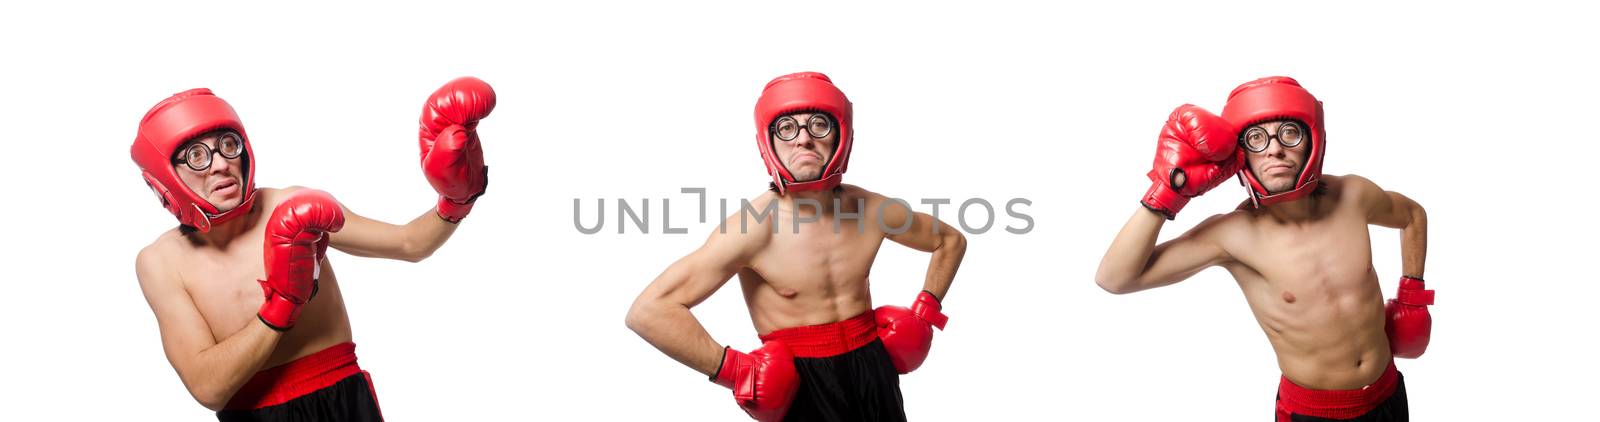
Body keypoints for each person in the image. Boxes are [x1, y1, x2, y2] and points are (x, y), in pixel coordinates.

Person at [130, 77, 494, 421]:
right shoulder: (162, 263)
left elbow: (410, 243)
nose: (222, 164)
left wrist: (455, 201)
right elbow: (209, 388)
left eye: (228, 144)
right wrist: (283, 303)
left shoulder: (294, 206)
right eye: (196, 155)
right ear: (165, 177)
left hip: (344, 403)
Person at [626, 72, 966, 422]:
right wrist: (735, 371)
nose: (803, 139)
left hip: (873, 369)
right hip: (803, 385)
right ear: (768, 143)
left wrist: (926, 313)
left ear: (841, 136)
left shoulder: (873, 210)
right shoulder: (752, 228)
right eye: (786, 128)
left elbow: (949, 241)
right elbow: (649, 310)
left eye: (819, 124)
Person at [1096, 76, 1435, 421]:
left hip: (1388, 392)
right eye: (1256, 139)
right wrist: (1168, 192)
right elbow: (1115, 278)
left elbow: (1412, 215)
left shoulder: (1354, 196)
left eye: (1289, 132)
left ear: (1312, 140)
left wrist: (1412, 294)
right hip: (1316, 414)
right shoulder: (1232, 234)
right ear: (1240, 156)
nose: (1274, 149)